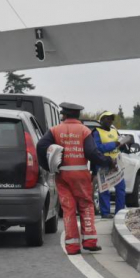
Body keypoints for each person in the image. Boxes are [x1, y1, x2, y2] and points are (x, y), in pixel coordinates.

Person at [36, 102, 115, 255]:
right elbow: (92, 153)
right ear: (78, 115)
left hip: (62, 175)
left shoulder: (54, 130)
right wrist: (107, 161)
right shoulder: (84, 131)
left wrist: (48, 166)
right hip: (81, 176)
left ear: (64, 115)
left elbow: (40, 146)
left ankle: (72, 247)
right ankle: (90, 241)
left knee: (68, 209)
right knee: (86, 206)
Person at [92, 111, 130, 219]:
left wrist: (124, 144)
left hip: (116, 164)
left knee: (121, 188)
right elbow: (98, 148)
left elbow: (120, 146)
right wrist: (114, 144)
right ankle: (105, 212)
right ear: (102, 120)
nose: (110, 121)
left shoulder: (114, 131)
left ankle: (120, 212)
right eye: (107, 118)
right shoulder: (96, 132)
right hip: (103, 164)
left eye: (111, 119)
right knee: (104, 189)